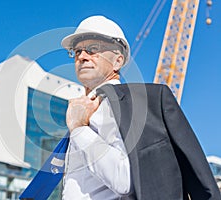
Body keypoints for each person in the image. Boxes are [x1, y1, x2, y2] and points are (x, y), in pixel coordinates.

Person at [61, 15, 220, 200]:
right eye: (77, 51)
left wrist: (80, 129)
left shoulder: (136, 105)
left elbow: (124, 180)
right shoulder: (82, 110)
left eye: (93, 49)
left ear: (118, 61)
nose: (81, 56)